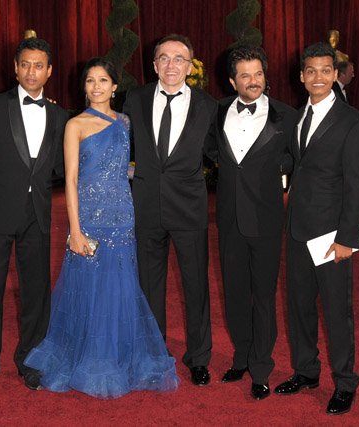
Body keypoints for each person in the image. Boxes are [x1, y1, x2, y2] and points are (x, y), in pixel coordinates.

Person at [24, 57, 180, 399]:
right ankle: (89, 357)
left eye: (103, 80)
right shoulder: (75, 124)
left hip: (122, 215)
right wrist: (75, 230)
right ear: (84, 87)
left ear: (114, 86)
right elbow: (71, 180)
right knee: (89, 287)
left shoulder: (124, 122)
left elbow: (121, 167)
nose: (96, 86)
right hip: (90, 219)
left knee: (121, 287)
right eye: (90, 81)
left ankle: (119, 355)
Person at [275, 42, 359, 416]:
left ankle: (345, 383)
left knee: (335, 311)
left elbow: (357, 185)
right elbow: (296, 163)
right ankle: (306, 371)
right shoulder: (297, 117)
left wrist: (347, 239)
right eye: (311, 70)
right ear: (302, 76)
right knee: (298, 306)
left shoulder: (352, 122)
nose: (318, 77)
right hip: (297, 228)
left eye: (325, 70)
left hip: (332, 235)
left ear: (335, 74)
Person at [0, 37, 68, 397]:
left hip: (38, 216)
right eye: (25, 64)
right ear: (15, 68)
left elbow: (62, 167)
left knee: (36, 296)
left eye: (39, 65)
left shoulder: (59, 115)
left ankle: (31, 362)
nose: (31, 71)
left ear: (49, 71)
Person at [123, 34, 217, 386]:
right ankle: (153, 353)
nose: (171, 64)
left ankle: (199, 357)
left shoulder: (208, 105)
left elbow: (221, 152)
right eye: (164, 58)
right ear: (154, 65)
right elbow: (118, 143)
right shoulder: (135, 98)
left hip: (189, 208)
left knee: (196, 286)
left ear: (190, 67)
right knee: (149, 286)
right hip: (146, 205)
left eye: (179, 59)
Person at [205, 46, 297, 400]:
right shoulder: (216, 111)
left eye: (258, 73)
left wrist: (274, 169)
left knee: (265, 296)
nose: (253, 81)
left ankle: (261, 368)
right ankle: (241, 356)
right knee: (235, 293)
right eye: (245, 75)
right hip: (229, 218)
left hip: (266, 219)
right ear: (233, 81)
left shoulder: (286, 115)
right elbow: (210, 147)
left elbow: (296, 156)